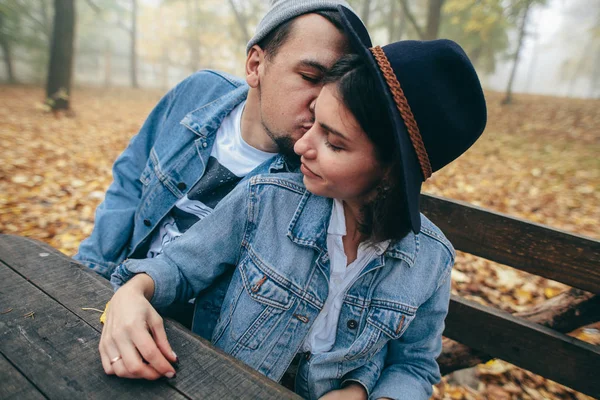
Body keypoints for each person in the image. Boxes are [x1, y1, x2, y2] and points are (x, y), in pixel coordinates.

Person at [100, 6, 487, 400]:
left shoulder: (429, 263)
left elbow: (412, 363)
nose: (302, 144)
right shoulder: (268, 200)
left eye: (334, 142)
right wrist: (133, 290)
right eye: (315, 118)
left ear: (390, 171)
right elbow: (176, 266)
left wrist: (363, 392)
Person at [74, 0, 366, 337]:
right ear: (256, 65)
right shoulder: (198, 94)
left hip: (193, 344)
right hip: (111, 292)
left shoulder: (316, 180)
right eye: (310, 77)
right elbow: (130, 178)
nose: (322, 103)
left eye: (336, 87)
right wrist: (87, 275)